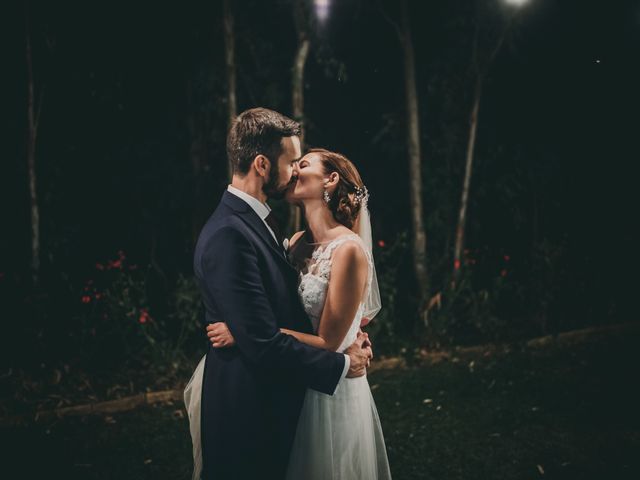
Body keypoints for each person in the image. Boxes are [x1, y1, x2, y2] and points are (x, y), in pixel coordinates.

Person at [183, 108, 374, 480]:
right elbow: (263, 342)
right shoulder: (230, 234)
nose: (295, 172)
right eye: (291, 163)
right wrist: (343, 364)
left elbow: (289, 311)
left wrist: (353, 333)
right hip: (246, 408)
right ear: (262, 165)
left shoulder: (259, 224)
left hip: (282, 397)